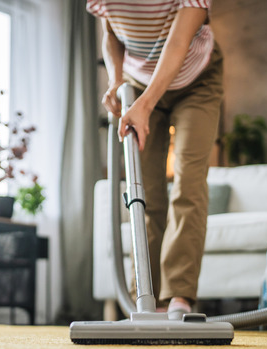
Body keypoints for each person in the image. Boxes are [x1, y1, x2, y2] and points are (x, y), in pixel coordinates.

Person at [86, 0, 224, 317]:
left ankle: (180, 296)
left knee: (189, 181)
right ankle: (148, 300)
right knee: (144, 191)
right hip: (137, 83)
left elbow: (178, 42)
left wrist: (145, 104)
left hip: (197, 78)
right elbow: (111, 33)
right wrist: (116, 80)